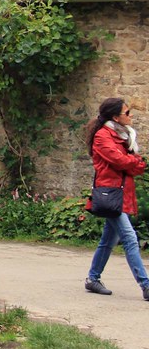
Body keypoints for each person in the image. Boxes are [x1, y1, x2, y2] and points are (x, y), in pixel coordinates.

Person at [84, 97, 149, 299]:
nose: (130, 116)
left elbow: (131, 161)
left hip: (121, 193)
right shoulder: (103, 136)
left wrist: (134, 162)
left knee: (108, 240)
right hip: (110, 193)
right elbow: (120, 160)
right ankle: (146, 285)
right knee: (129, 238)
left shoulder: (122, 135)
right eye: (127, 113)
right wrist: (136, 163)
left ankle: (93, 278)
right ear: (115, 117)